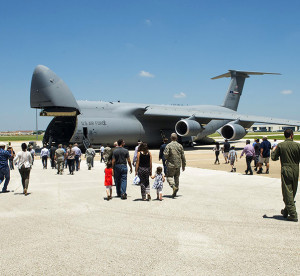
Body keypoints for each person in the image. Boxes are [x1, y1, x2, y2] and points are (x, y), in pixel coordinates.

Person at [271, 129, 300, 222]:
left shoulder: (281, 145)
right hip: (296, 169)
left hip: (286, 168)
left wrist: (274, 150)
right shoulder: (297, 145)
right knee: (293, 191)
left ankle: (293, 214)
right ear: (291, 135)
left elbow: (273, 158)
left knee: (287, 192)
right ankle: (286, 211)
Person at [163, 133, 186, 198]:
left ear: (171, 138)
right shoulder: (180, 146)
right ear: (176, 138)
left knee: (169, 177)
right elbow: (183, 156)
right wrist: (183, 165)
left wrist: (166, 158)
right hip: (178, 165)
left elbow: (166, 155)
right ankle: (175, 191)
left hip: (171, 165)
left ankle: (173, 187)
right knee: (176, 178)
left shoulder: (168, 145)